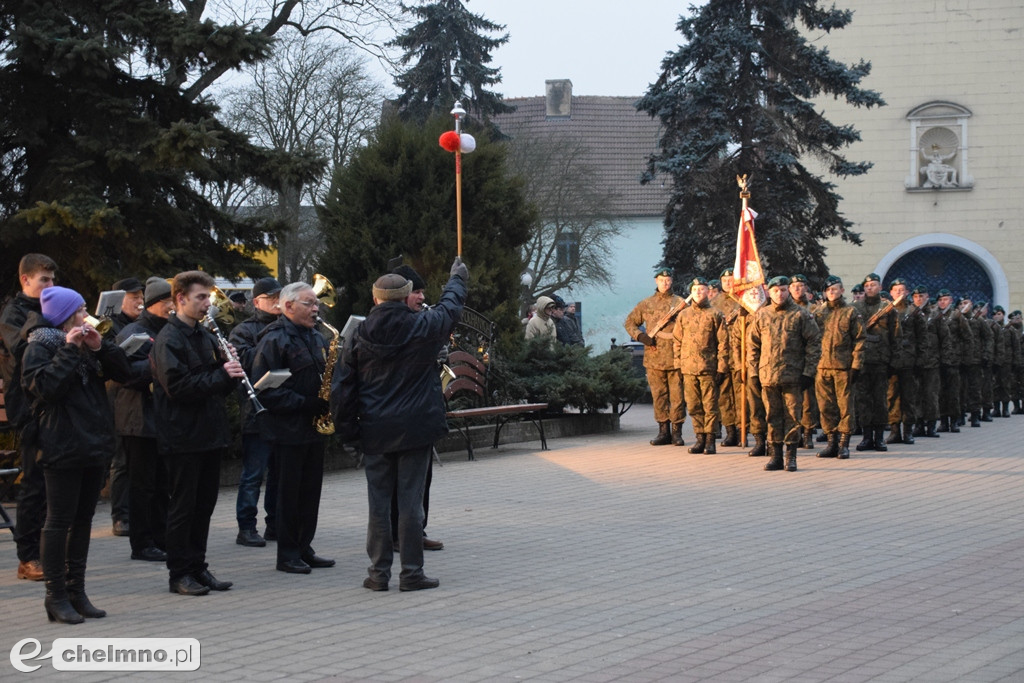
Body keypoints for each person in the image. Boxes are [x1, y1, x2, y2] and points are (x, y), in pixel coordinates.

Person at [333, 258, 468, 592]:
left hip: (376, 431)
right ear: (407, 295)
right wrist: (457, 279)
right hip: (416, 428)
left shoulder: (358, 334)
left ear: (376, 299)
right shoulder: (422, 326)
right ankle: (411, 573)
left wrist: (349, 434)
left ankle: (378, 574)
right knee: (410, 503)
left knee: (378, 505)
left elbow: (343, 390)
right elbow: (450, 308)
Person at [21, 286, 131, 623]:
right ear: (65, 316)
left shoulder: (87, 346)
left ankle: (76, 590)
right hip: (61, 444)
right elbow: (46, 389)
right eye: (81, 310)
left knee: (83, 521)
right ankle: (55, 596)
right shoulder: (39, 345)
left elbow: (125, 374)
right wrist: (69, 350)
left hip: (92, 443)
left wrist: (101, 348)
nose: (87, 316)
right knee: (58, 522)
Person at [152, 270, 243, 596]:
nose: (209, 303)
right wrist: (221, 375)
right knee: (184, 507)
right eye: (201, 297)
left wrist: (232, 372)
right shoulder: (169, 339)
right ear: (180, 299)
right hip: (182, 436)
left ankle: (198, 566)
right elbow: (178, 387)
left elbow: (215, 386)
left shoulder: (204, 336)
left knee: (203, 505)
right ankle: (179, 573)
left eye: (209, 297)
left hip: (208, 432)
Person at [251, 283, 334, 575]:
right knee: (289, 494)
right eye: (309, 304)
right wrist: (305, 403)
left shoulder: (314, 336)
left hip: (312, 428)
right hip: (287, 429)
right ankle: (287, 554)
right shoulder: (274, 340)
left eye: (316, 304)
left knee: (310, 493)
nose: (316, 309)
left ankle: (303, 547)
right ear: (288, 307)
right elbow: (265, 390)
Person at [0, 253, 57, 581]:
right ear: (26, 280)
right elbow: (23, 355)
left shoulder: (45, 310)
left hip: (53, 407)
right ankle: (27, 558)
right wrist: (45, 319)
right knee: (34, 486)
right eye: (44, 280)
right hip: (28, 408)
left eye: (53, 280)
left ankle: (48, 553)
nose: (51, 286)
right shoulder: (14, 313)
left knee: (52, 487)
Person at [114, 277, 174, 563]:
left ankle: (160, 537)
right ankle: (141, 543)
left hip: (161, 419)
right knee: (142, 485)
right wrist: (160, 368)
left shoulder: (169, 330)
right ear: (157, 304)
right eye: (170, 302)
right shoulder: (134, 331)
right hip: (138, 419)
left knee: (162, 484)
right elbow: (122, 371)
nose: (175, 307)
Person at [389, 264, 444, 552]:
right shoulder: (395, 325)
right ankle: (398, 536)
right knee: (401, 483)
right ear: (401, 295)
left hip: (421, 415)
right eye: (417, 292)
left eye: (423, 291)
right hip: (400, 419)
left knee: (422, 479)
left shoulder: (419, 320)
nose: (422, 297)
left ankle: (416, 530)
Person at [229, 276, 282, 547]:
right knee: (253, 473)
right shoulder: (243, 330)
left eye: (279, 297)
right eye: (271, 298)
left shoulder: (287, 325)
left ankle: (275, 524)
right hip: (256, 410)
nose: (277, 303)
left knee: (279, 473)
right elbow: (247, 361)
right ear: (257, 302)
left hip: (283, 410)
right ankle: (246, 527)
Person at [748, 276, 821, 472]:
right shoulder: (761, 315)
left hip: (793, 377)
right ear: (769, 293)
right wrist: (754, 373)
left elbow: (814, 344)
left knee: (792, 417)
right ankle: (776, 456)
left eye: (782, 290)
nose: (779, 294)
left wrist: (808, 372)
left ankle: (791, 457)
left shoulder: (801, 315)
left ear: (788, 291)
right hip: (768, 377)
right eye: (775, 291)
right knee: (772, 417)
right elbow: (753, 346)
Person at [624, 267, 687, 446]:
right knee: (659, 395)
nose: (665, 283)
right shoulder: (646, 304)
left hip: (676, 357)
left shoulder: (681, 303)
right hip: (654, 357)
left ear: (672, 281)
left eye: (668, 280)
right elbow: (630, 322)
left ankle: (677, 432)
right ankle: (663, 431)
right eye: (661, 280)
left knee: (677, 396)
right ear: (656, 281)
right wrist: (641, 336)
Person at [105, 276, 146, 538]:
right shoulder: (109, 325)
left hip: (138, 398)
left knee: (139, 460)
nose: (140, 302)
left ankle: (140, 513)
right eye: (134, 298)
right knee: (120, 460)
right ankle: (120, 516)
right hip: (117, 397)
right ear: (120, 299)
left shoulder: (141, 324)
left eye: (142, 297)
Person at [672, 277, 728, 454]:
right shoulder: (683, 315)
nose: (699, 293)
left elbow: (723, 343)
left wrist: (721, 367)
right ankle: (699, 438)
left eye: (702, 290)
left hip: (708, 368)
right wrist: (678, 365)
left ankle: (710, 439)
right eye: (695, 290)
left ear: (707, 292)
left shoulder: (715, 314)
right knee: (694, 406)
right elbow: (677, 341)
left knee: (710, 406)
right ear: (691, 292)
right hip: (688, 369)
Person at [813, 275, 864, 459]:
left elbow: (859, 340)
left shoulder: (850, 312)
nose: (832, 293)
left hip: (843, 367)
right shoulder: (819, 313)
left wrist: (856, 365)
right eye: (828, 290)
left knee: (845, 407)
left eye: (835, 289)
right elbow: (811, 340)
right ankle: (831, 442)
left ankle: (844, 444)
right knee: (826, 407)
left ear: (842, 290)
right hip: (822, 367)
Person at [852, 274, 900, 452]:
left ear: (880, 287)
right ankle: (866, 437)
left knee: (880, 400)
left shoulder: (888, 308)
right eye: (867, 286)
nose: (870, 288)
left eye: (873, 285)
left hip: (881, 361)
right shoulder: (855, 308)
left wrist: (893, 361)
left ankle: (879, 437)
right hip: (862, 361)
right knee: (863, 400)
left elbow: (896, 336)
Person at [886, 278, 925, 445]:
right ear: (891, 293)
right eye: (896, 290)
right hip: (892, 361)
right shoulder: (887, 310)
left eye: (902, 289)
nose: (899, 292)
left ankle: (908, 430)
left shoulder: (914, 311)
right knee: (891, 396)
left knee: (909, 397)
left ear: (907, 292)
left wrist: (920, 360)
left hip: (909, 360)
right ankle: (894, 430)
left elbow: (923, 338)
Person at [912, 285, 950, 437]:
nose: (919, 299)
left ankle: (932, 425)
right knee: (916, 394)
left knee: (931, 394)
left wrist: (945, 359)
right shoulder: (910, 314)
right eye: (916, 297)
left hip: (932, 361)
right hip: (914, 362)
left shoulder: (935, 316)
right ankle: (919, 423)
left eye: (921, 296)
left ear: (927, 296)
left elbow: (945, 339)